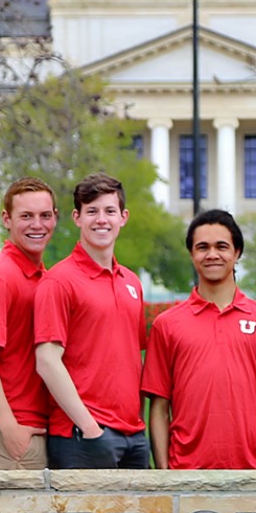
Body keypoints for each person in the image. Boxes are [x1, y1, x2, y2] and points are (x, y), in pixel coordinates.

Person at [143, 210, 256, 470]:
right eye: (202, 247)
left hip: (252, 473)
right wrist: (164, 473)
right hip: (185, 474)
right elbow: (159, 408)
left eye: (221, 246)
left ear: (237, 252)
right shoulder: (167, 325)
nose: (212, 255)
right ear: (192, 254)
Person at [34, 173, 149, 468]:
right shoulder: (59, 281)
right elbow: (47, 361)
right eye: (92, 211)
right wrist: (90, 428)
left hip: (133, 435)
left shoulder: (132, 282)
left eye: (110, 211)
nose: (102, 220)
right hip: (83, 436)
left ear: (123, 217)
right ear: (77, 217)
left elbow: (132, 357)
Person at [0, 178, 58, 470]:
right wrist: (9, 428)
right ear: (7, 219)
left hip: (36, 428)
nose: (37, 225)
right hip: (8, 437)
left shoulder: (41, 274)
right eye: (26, 216)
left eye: (44, 216)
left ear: (55, 217)